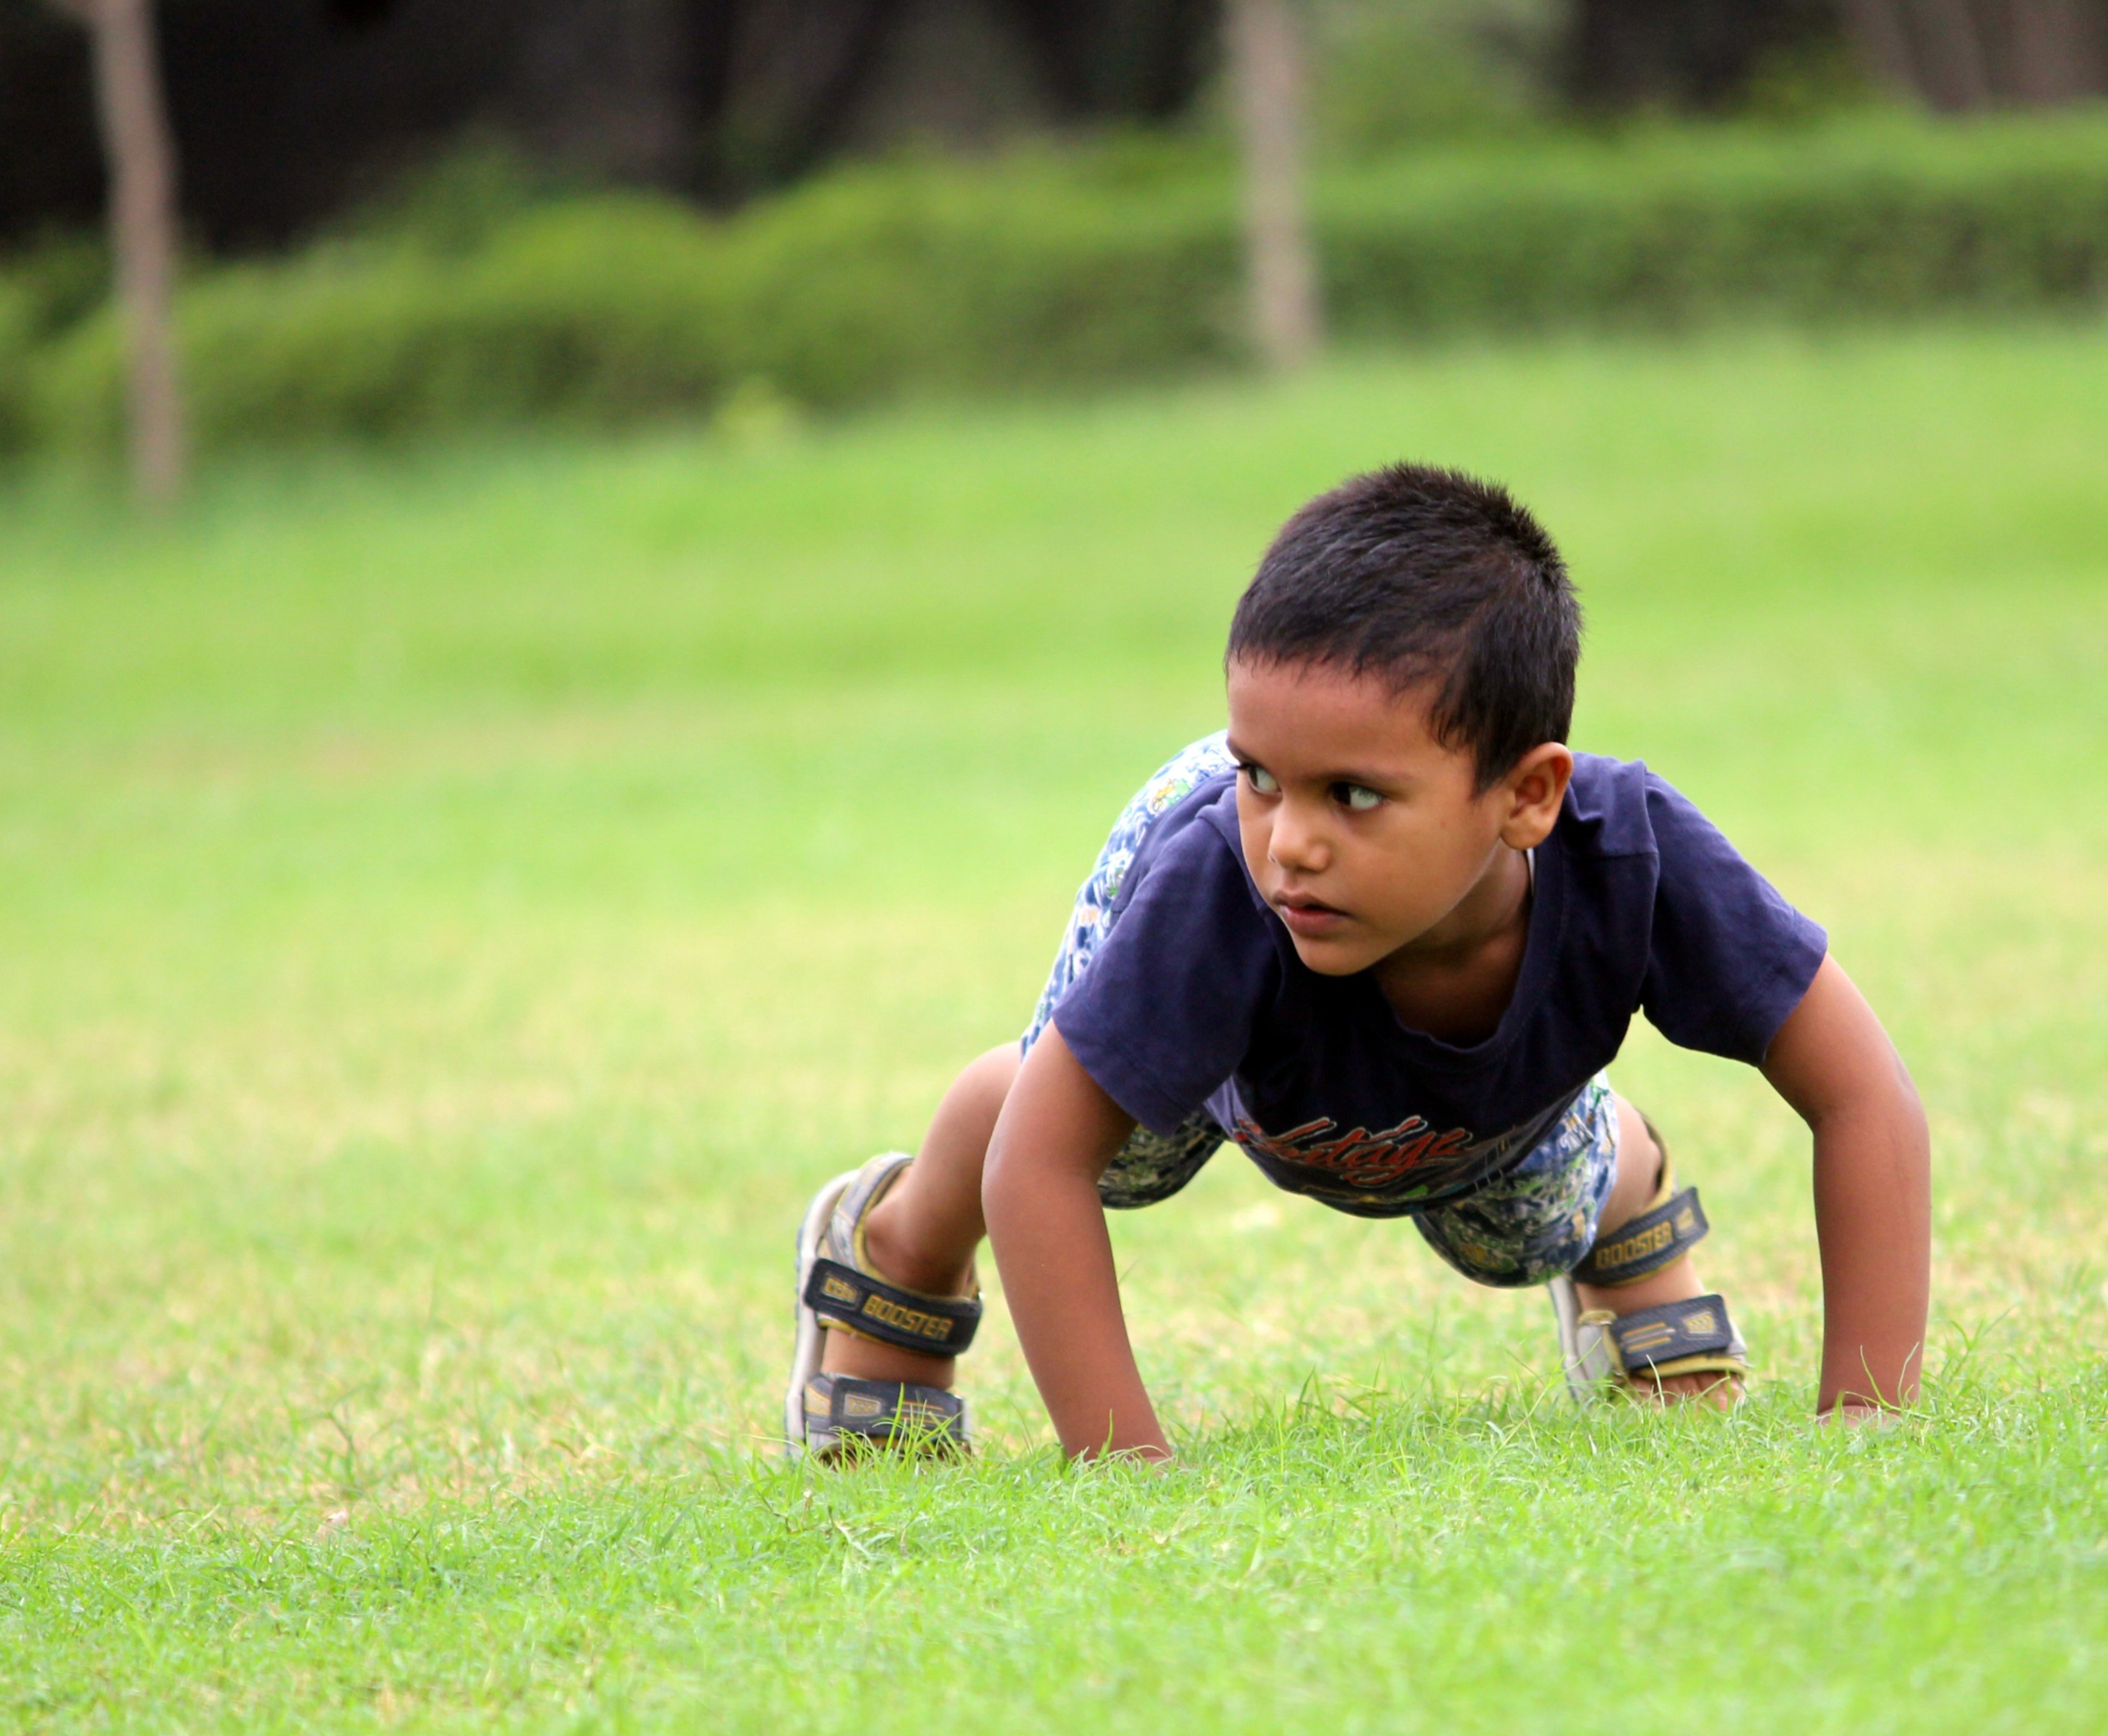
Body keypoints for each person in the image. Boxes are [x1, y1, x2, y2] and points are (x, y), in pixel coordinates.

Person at [784, 464, 1930, 1462]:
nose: (1292, 841)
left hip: (1473, 1115)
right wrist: (1124, 1468)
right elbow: (1043, 1161)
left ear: (1527, 795)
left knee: (1524, 1233)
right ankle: (896, 1255)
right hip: (1226, 1044)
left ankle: (1624, 1209)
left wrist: (1867, 1411)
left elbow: (1863, 1092)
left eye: (1357, 797)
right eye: (1262, 777)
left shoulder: (1632, 859)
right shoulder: (1228, 871)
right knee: (1092, 1128)